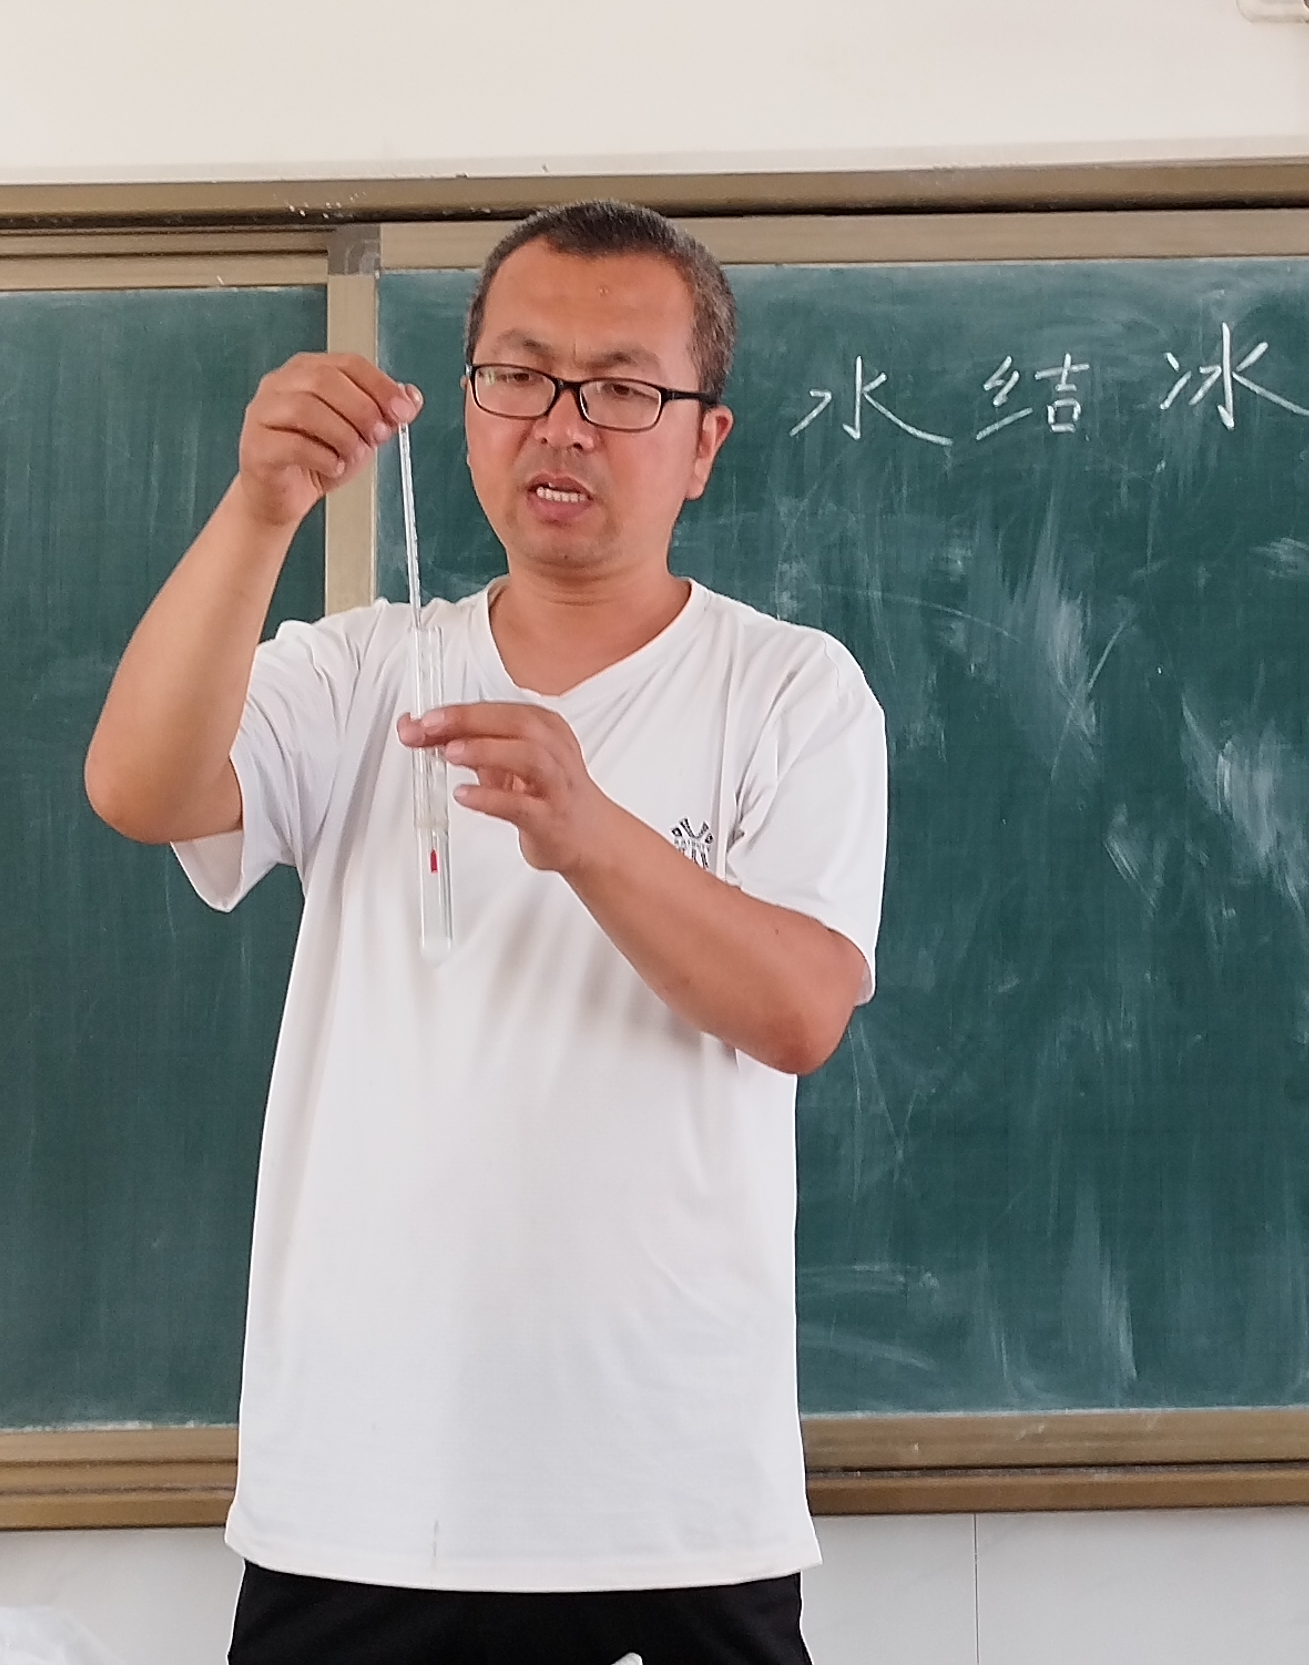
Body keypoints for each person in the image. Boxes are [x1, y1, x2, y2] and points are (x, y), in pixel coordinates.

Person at [84, 201, 888, 1665]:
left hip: (668, 1500)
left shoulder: (790, 690)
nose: (561, 424)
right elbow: (139, 788)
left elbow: (800, 1012)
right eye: (519, 376)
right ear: (464, 405)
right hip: (364, 1495)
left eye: (623, 390)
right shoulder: (364, 669)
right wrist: (261, 509)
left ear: (703, 441)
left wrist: (591, 833)